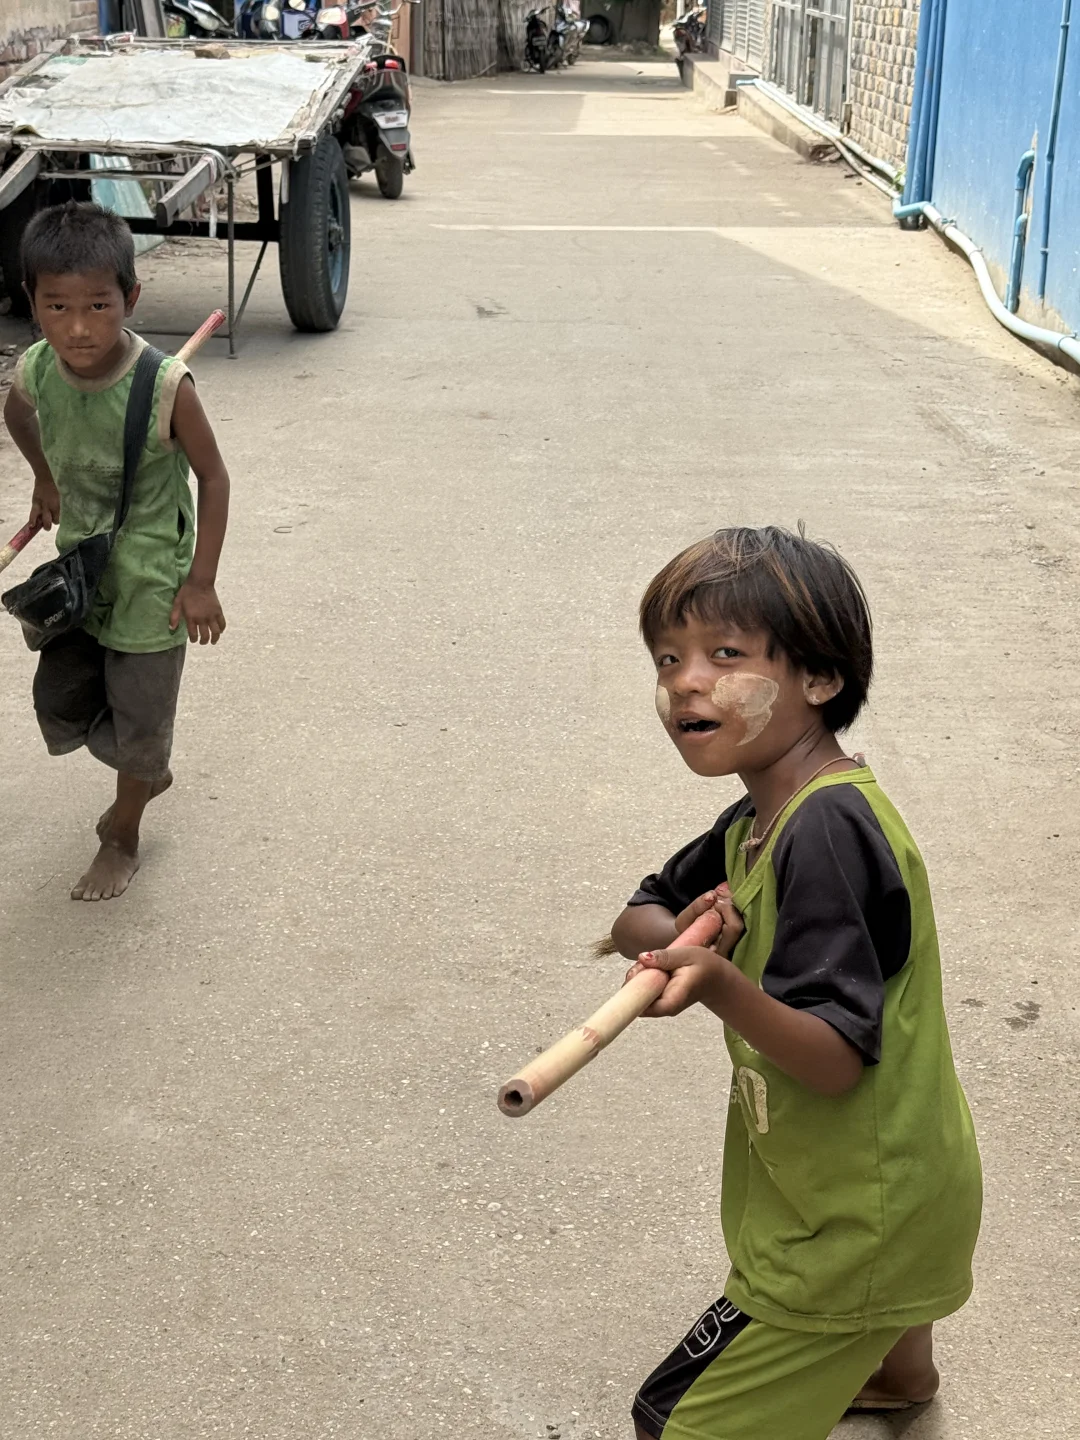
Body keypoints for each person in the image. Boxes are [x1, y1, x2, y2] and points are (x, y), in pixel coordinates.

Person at [601, 526, 981, 1440]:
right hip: (893, 1180)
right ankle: (898, 1375)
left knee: (672, 1419)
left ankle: (871, 1337)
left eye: (724, 655)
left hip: (854, 1219)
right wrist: (692, 931)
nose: (684, 681)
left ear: (819, 679)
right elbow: (633, 920)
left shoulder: (826, 832)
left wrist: (719, 983)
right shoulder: (758, 816)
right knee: (883, 1301)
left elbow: (834, 1063)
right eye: (668, 658)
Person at [4, 201, 230, 901]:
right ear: (31, 305)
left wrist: (200, 583)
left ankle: (123, 831)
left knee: (138, 719)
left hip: (154, 589)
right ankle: (146, 765)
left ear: (130, 298)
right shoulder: (39, 367)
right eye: (57, 306)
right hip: (85, 574)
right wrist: (44, 478)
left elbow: (215, 478)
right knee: (64, 703)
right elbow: (15, 407)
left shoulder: (165, 387)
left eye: (99, 305)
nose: (78, 327)